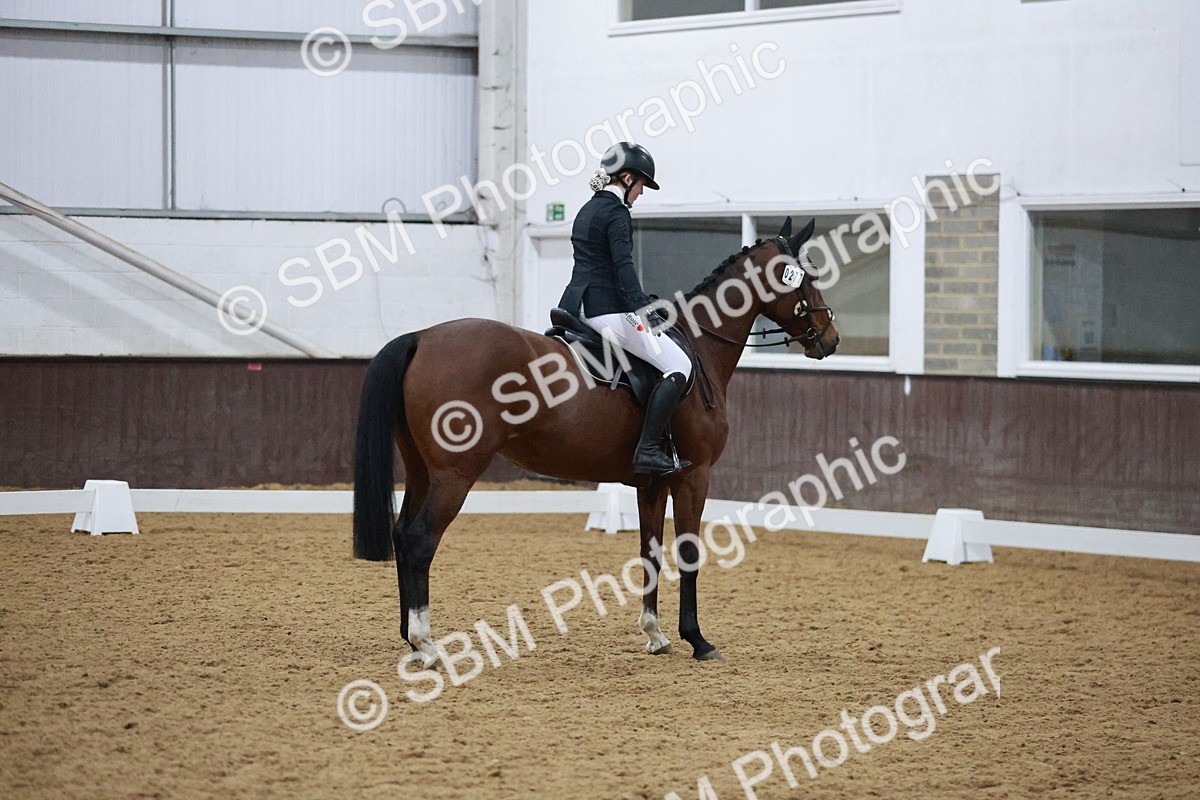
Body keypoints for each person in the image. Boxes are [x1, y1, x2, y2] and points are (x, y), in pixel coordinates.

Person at [556, 142, 693, 477]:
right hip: (607, 310)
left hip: (578, 306)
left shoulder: (588, 208)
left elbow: (598, 266)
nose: (642, 193)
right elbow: (623, 268)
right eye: (643, 185)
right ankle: (647, 450)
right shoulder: (616, 213)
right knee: (679, 365)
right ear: (628, 178)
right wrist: (643, 307)